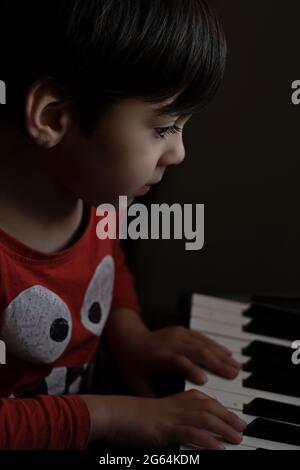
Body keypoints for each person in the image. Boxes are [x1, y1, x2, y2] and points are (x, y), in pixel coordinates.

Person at [0, 0, 246, 450]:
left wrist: (131, 335)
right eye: (164, 127)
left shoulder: (88, 194)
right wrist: (114, 415)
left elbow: (106, 270)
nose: (179, 153)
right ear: (55, 117)